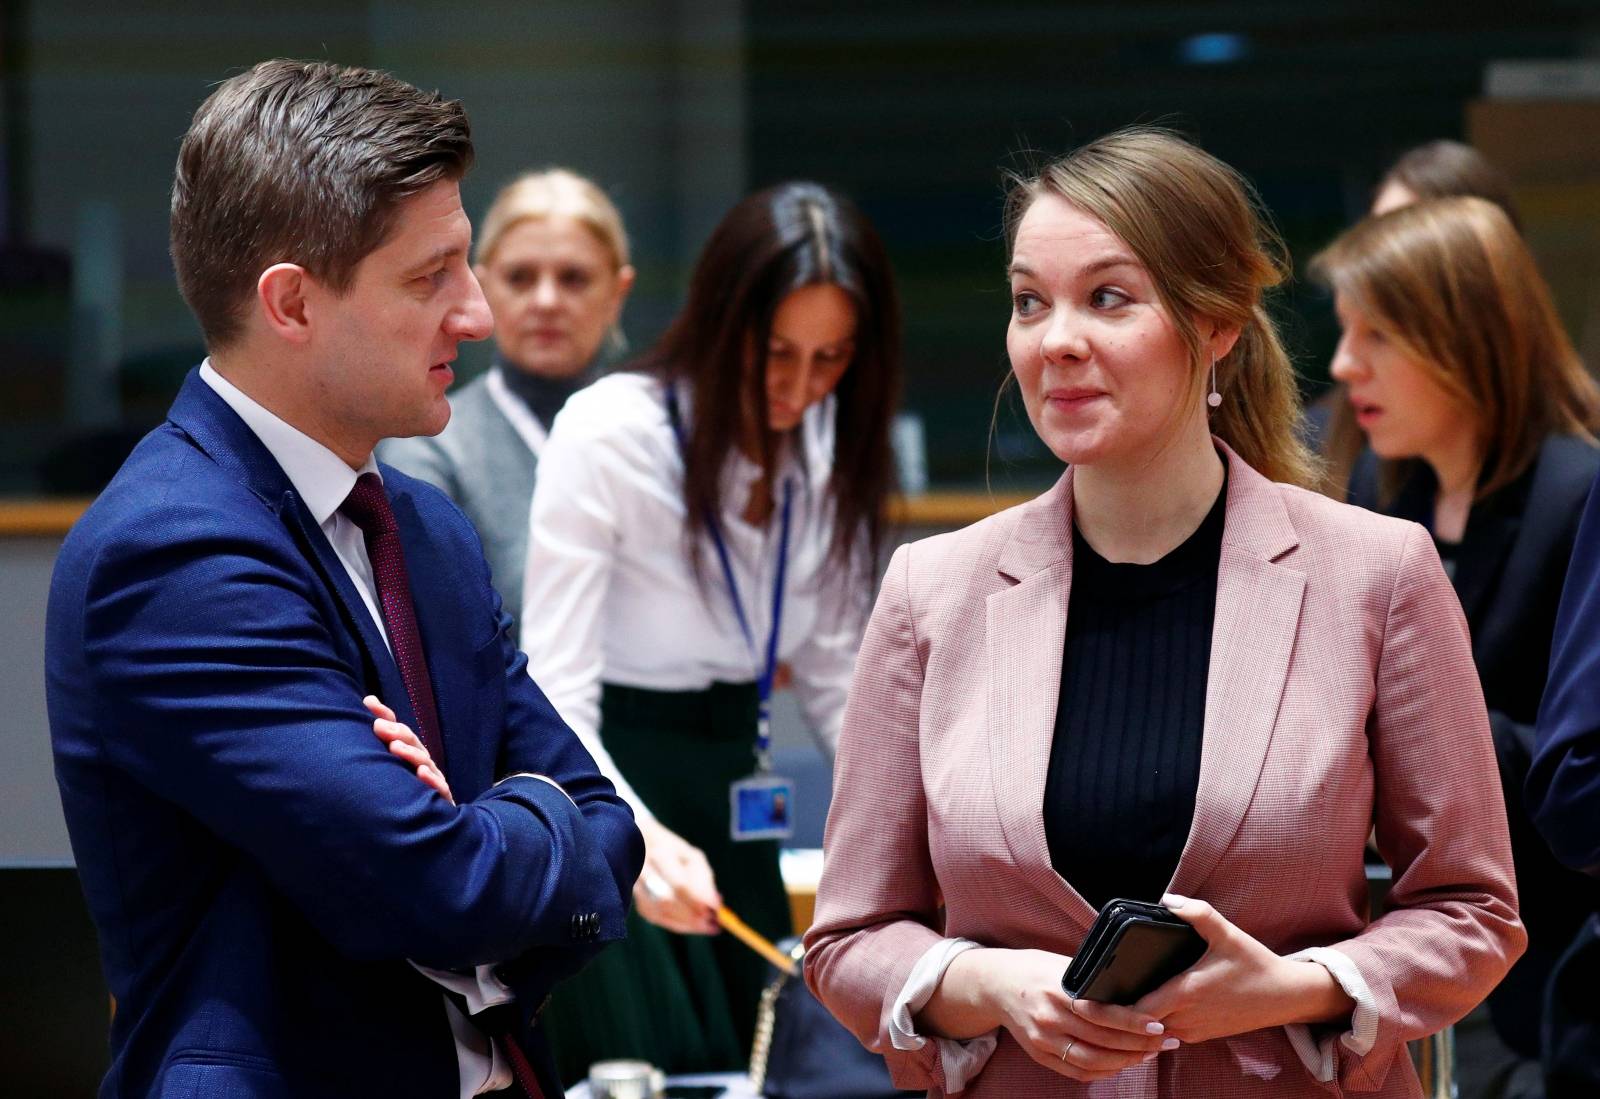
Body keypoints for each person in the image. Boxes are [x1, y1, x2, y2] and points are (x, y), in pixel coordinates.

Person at [804, 127, 1524, 1097]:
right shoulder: (932, 592)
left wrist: (1295, 987)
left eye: (1107, 297)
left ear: (1217, 323)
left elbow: (1471, 909)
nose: (1056, 339)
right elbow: (848, 937)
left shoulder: (1374, 575)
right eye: (1028, 301)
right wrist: (982, 981)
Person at [44, 60, 642, 1099]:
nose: (477, 315)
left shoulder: (429, 526)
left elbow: (609, 820)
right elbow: (436, 884)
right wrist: (517, 818)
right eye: (430, 277)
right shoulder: (174, 552)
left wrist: (485, 819)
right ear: (291, 303)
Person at [519, 181, 902, 1080]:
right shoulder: (612, 432)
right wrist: (634, 842)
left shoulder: (824, 442)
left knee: (773, 1055)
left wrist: (900, 843)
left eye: (831, 358)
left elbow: (845, 678)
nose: (799, 387)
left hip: (740, 784)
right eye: (776, 353)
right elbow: (551, 695)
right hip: (610, 788)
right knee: (641, 1066)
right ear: (720, 316)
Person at [1314, 195, 1600, 1099]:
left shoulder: (1579, 489)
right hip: (1390, 942)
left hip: (1545, 976)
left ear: (1462, 336)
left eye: (1377, 335)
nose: (1341, 364)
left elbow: (1574, 779)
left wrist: (1406, 724)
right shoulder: (1375, 485)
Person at [379, 169, 635, 644]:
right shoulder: (429, 446)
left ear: (617, 293)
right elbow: (450, 642)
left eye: (574, 278)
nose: (546, 300)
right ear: (484, 285)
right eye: (521, 277)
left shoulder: (655, 435)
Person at [1307, 138, 1521, 474]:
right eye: (1378, 232)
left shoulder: (1575, 472)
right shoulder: (1317, 436)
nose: (1382, 260)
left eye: (1416, 242)